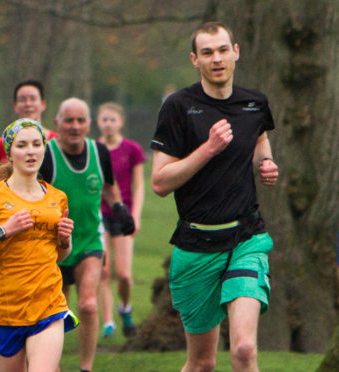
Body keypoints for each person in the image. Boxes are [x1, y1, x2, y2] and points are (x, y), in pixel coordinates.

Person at [150, 21, 279, 372]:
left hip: (246, 238)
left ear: (236, 52)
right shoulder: (178, 106)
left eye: (223, 50)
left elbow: (259, 138)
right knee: (202, 363)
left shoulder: (255, 103)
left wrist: (265, 163)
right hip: (196, 244)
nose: (216, 59)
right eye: (207, 52)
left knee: (243, 349)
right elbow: (160, 183)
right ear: (195, 59)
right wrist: (207, 149)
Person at [0, 118, 77, 372]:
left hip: (48, 305)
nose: (31, 151)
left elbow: (60, 256)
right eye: (22, 145)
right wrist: (3, 230)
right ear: (10, 153)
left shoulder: (57, 198)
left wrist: (64, 239)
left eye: (36, 144)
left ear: (44, 148)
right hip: (3, 311)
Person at [39, 98, 135, 372]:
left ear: (89, 124)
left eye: (81, 120)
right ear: (58, 123)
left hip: (89, 242)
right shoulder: (47, 154)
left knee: (89, 305)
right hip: (52, 246)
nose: (75, 126)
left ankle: (85, 368)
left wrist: (119, 208)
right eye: (69, 120)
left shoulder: (99, 151)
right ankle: (51, 365)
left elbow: (109, 187)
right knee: (54, 312)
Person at [95, 102, 146, 338]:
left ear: (121, 122)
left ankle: (124, 307)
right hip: (99, 214)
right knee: (103, 271)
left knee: (124, 274)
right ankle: (108, 323)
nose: (108, 123)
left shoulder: (132, 149)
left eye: (112, 119)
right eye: (104, 119)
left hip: (123, 215)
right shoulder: (92, 148)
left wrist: (135, 215)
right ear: (98, 122)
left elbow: (140, 184)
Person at [0, 80, 57, 168]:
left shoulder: (57, 143)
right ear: (15, 106)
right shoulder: (1, 145)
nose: (28, 104)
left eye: (33, 98)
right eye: (22, 99)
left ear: (43, 104)